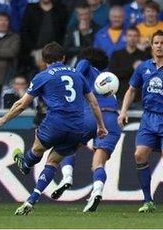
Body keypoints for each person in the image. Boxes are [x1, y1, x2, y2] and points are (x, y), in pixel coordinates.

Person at [0, 42, 107, 215]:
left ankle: (26, 162)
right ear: (64, 58)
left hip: (55, 123)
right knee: (53, 162)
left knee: (37, 146)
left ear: (44, 60)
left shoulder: (43, 76)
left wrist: (3, 119)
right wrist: (101, 127)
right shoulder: (77, 75)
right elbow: (94, 103)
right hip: (76, 128)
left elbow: (21, 105)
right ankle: (31, 200)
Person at [118, 30, 163, 214]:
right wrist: (123, 111)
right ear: (152, 46)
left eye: (162, 43)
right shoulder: (143, 67)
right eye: (156, 43)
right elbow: (132, 90)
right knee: (139, 155)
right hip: (148, 118)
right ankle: (148, 201)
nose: (159, 46)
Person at [51, 47, 122, 213]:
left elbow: (74, 75)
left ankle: (67, 177)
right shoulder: (106, 78)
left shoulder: (85, 64)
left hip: (92, 115)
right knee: (98, 164)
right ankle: (97, 191)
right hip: (113, 119)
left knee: (65, 146)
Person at [19, 0, 68, 76]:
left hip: (55, 51)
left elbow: (64, 31)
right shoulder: (30, 9)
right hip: (34, 51)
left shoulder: (61, 9)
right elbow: (24, 30)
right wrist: (33, 50)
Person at [109, 26, 148, 105]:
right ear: (125, 37)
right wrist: (133, 68)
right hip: (120, 98)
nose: (132, 38)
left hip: (138, 99)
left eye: (135, 36)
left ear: (139, 38)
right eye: (130, 35)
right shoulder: (117, 54)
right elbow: (113, 74)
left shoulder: (145, 55)